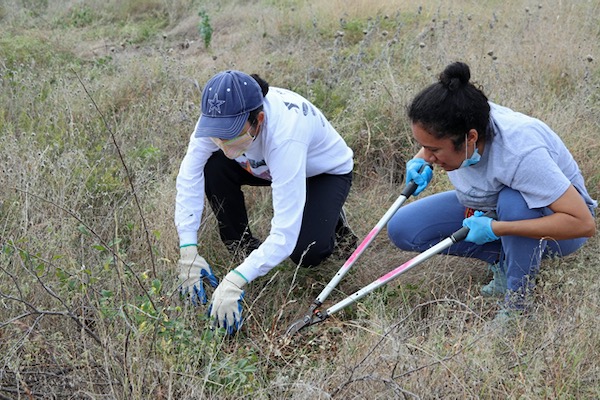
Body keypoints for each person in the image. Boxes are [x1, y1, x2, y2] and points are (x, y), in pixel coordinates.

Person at [387, 62, 597, 319]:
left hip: (558, 229)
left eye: (434, 150)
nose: (429, 156)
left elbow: (583, 224)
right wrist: (422, 159)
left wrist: (497, 229)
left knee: (513, 201)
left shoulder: (521, 153)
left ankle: (517, 302)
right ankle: (504, 260)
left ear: (471, 138)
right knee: (404, 229)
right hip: (489, 208)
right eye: (422, 146)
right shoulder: (465, 113)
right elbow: (435, 143)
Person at [175, 70, 356, 334]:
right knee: (214, 167)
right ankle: (243, 247)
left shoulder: (286, 135)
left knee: (308, 250)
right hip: (265, 167)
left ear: (258, 120)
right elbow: (188, 175)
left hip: (321, 172)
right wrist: (187, 248)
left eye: (230, 134)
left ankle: (333, 222)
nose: (221, 142)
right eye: (217, 134)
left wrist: (235, 280)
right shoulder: (216, 117)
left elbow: (284, 234)